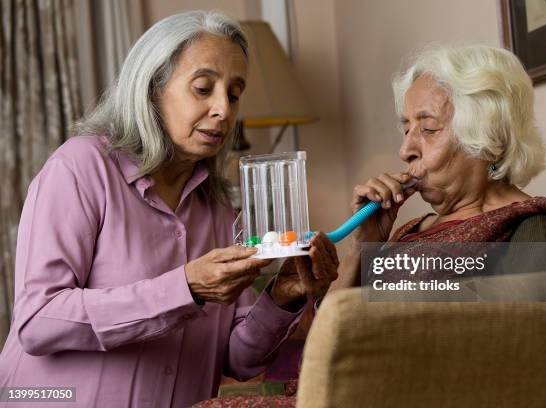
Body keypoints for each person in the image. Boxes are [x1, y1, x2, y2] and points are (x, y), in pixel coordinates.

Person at [0, 11, 337, 407]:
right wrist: (185, 288)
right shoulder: (80, 168)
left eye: (233, 92)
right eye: (202, 88)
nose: (223, 111)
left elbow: (239, 360)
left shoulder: (220, 209)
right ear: (152, 89)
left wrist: (283, 297)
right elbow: (38, 321)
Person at [330, 44, 546, 291]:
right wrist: (362, 248)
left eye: (428, 128)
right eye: (406, 130)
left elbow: (514, 340)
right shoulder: (410, 229)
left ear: (487, 137)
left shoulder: (534, 230)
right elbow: (329, 331)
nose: (405, 151)